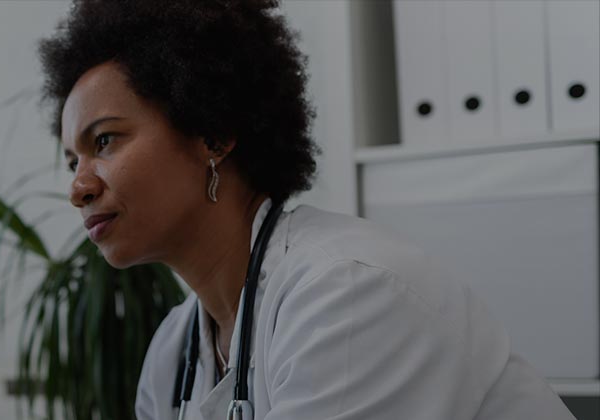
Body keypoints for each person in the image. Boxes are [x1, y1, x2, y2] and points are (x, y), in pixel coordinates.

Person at [39, 0, 575, 419]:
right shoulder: (171, 355)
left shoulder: (347, 293)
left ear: (213, 133)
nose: (80, 187)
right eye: (72, 161)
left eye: (105, 141)